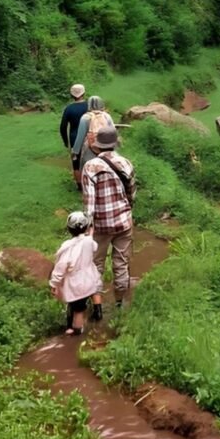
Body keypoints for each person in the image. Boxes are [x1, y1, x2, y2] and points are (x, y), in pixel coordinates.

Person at [81, 127, 136, 319]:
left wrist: (88, 228)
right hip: (123, 222)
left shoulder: (90, 167)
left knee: (96, 265)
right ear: (115, 143)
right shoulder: (126, 163)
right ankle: (120, 304)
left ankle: (97, 308)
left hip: (101, 225)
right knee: (121, 263)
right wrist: (128, 213)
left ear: (97, 146)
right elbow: (131, 194)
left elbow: (89, 203)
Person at [49, 211, 102, 336]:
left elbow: (61, 266)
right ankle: (92, 316)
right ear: (86, 227)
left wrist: (54, 283)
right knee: (81, 305)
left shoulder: (68, 247)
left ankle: (76, 331)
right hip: (89, 280)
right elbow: (94, 246)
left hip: (75, 284)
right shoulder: (89, 242)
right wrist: (90, 234)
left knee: (76, 308)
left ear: (69, 228)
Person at [72, 96, 115, 174]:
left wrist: (75, 151)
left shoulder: (85, 118)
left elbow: (80, 137)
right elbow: (113, 133)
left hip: (90, 149)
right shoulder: (107, 116)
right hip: (106, 147)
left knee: (90, 171)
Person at [60, 84, 88, 188]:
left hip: (74, 137)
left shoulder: (69, 109)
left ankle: (80, 185)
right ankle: (91, 181)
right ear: (84, 93)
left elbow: (63, 127)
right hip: (88, 136)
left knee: (76, 161)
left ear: (72, 95)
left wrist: (65, 142)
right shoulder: (89, 106)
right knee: (89, 159)